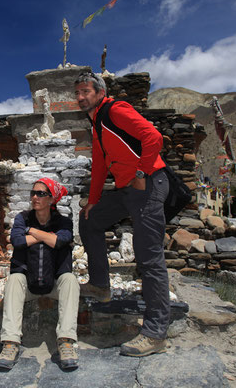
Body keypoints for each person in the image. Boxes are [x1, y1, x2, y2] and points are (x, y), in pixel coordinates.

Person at [75, 71, 170, 357]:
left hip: (149, 183)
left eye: (85, 92)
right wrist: (92, 201)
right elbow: (101, 167)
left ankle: (155, 333)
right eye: (77, 93)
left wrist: (141, 171)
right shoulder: (97, 125)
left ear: (99, 92)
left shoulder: (116, 110)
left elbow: (153, 137)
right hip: (127, 188)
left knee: (148, 256)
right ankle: (101, 286)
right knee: (89, 220)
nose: (80, 97)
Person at [0, 178, 80, 370]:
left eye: (41, 194)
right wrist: (48, 237)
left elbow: (62, 240)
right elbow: (17, 240)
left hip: (54, 284)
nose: (35, 197)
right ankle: (10, 342)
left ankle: (66, 342)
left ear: (51, 199)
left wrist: (32, 232)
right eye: (33, 193)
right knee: (15, 279)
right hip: (29, 285)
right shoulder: (21, 218)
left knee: (69, 280)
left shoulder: (63, 222)